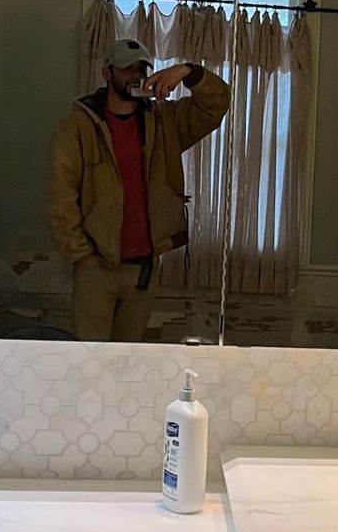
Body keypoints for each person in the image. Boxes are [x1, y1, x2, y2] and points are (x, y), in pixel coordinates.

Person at [47, 38, 231, 342]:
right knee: (90, 360)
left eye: (142, 67)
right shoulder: (76, 128)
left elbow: (216, 104)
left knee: (130, 360)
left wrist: (187, 71)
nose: (136, 74)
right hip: (96, 265)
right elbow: (61, 197)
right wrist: (82, 254)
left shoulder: (164, 121)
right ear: (107, 73)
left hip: (143, 268)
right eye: (126, 68)